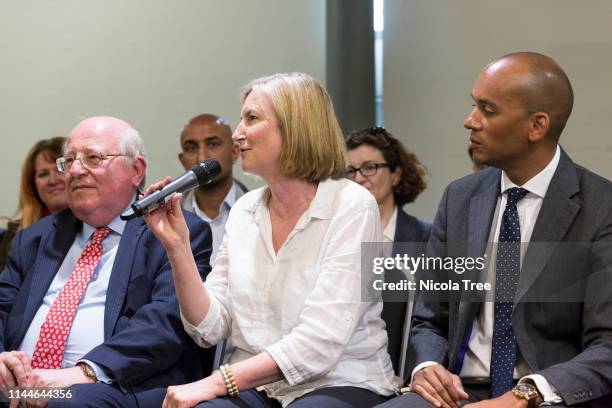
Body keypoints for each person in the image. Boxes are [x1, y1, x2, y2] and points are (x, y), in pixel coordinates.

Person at [145, 72, 396, 407]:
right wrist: (177, 248)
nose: (237, 134)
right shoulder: (245, 209)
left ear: (295, 128)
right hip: (257, 386)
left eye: (252, 118)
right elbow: (208, 328)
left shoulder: (352, 205)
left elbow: (319, 344)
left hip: (338, 380)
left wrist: (215, 382)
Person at [377, 52, 612, 408]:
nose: (469, 121)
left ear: (537, 126)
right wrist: (426, 367)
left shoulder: (601, 206)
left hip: (548, 394)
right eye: (474, 106)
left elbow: (607, 344)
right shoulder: (459, 197)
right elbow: (429, 317)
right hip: (456, 392)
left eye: (487, 110)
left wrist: (525, 394)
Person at [0, 116, 212, 407]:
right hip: (19, 387)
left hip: (116, 384)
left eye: (93, 158)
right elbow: (2, 308)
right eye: (70, 160)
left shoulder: (175, 233)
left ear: (136, 170)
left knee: (68, 402)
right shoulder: (34, 239)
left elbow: (165, 324)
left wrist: (84, 372)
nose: (75, 170)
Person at [345, 127, 431, 383]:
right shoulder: (335, 237)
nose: (359, 178)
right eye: (350, 171)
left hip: (403, 373)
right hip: (344, 371)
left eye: (370, 167)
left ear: (395, 174)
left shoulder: (426, 238)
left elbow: (430, 321)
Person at [178, 113, 247, 264]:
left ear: (235, 152)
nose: (202, 158)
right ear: (182, 160)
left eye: (213, 144)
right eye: (191, 148)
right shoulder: (171, 218)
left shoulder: (261, 210)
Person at [0, 137, 69, 270]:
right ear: (33, 186)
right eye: (43, 174)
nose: (53, 180)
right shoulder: (15, 234)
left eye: (60, 169)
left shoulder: (96, 228)